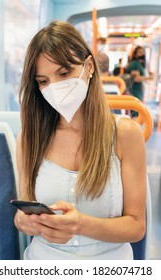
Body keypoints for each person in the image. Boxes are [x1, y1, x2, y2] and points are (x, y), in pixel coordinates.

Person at [14, 20, 146, 260]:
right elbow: (24, 211)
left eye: (64, 73)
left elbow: (137, 227)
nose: (55, 87)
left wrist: (81, 225)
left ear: (90, 66)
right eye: (43, 81)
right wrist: (24, 222)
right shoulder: (29, 138)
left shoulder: (126, 134)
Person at [127, 46, 153, 117]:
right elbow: (136, 78)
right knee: (135, 113)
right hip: (135, 91)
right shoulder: (135, 64)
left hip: (138, 91)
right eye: (140, 52)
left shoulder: (138, 64)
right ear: (135, 54)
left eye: (143, 52)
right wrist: (149, 78)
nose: (142, 54)